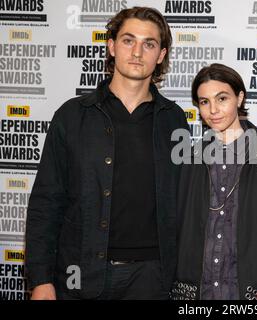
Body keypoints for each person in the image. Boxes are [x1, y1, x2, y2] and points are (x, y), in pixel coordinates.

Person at [25, 7, 188, 300]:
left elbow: (182, 202)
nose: (138, 52)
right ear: (111, 46)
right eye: (128, 40)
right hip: (81, 272)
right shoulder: (72, 116)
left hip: (151, 278)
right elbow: (46, 203)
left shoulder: (174, 120)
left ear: (161, 55)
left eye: (149, 44)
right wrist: (40, 279)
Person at [169, 63, 257, 300]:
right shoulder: (189, 159)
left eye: (222, 98)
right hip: (197, 296)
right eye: (204, 102)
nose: (213, 110)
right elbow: (177, 231)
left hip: (249, 296)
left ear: (239, 98)